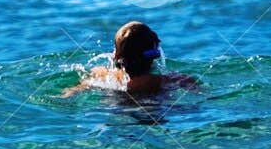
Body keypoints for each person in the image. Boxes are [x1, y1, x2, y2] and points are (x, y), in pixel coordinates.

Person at [66, 20, 197, 99]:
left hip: (116, 109)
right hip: (154, 108)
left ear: (115, 56)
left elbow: (72, 92)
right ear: (154, 54)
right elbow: (200, 93)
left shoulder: (103, 76)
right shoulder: (170, 80)